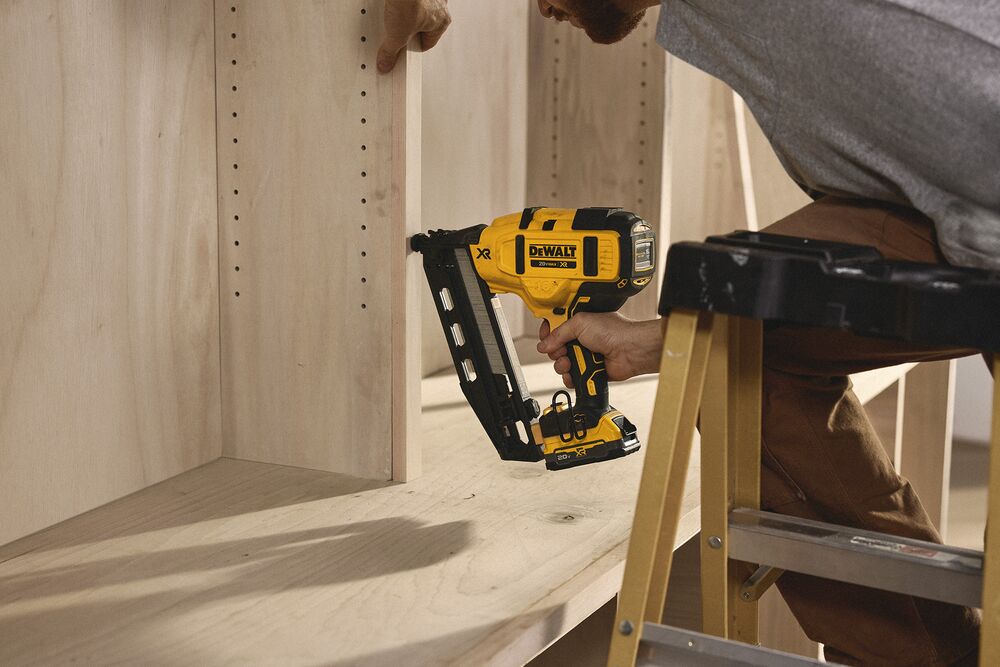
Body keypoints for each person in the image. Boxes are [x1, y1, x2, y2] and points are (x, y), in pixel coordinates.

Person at [379, 1, 999, 664]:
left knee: (731, 325)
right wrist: (658, 341)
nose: (541, 9)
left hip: (979, 210)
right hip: (944, 208)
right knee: (734, 353)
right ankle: (937, 655)